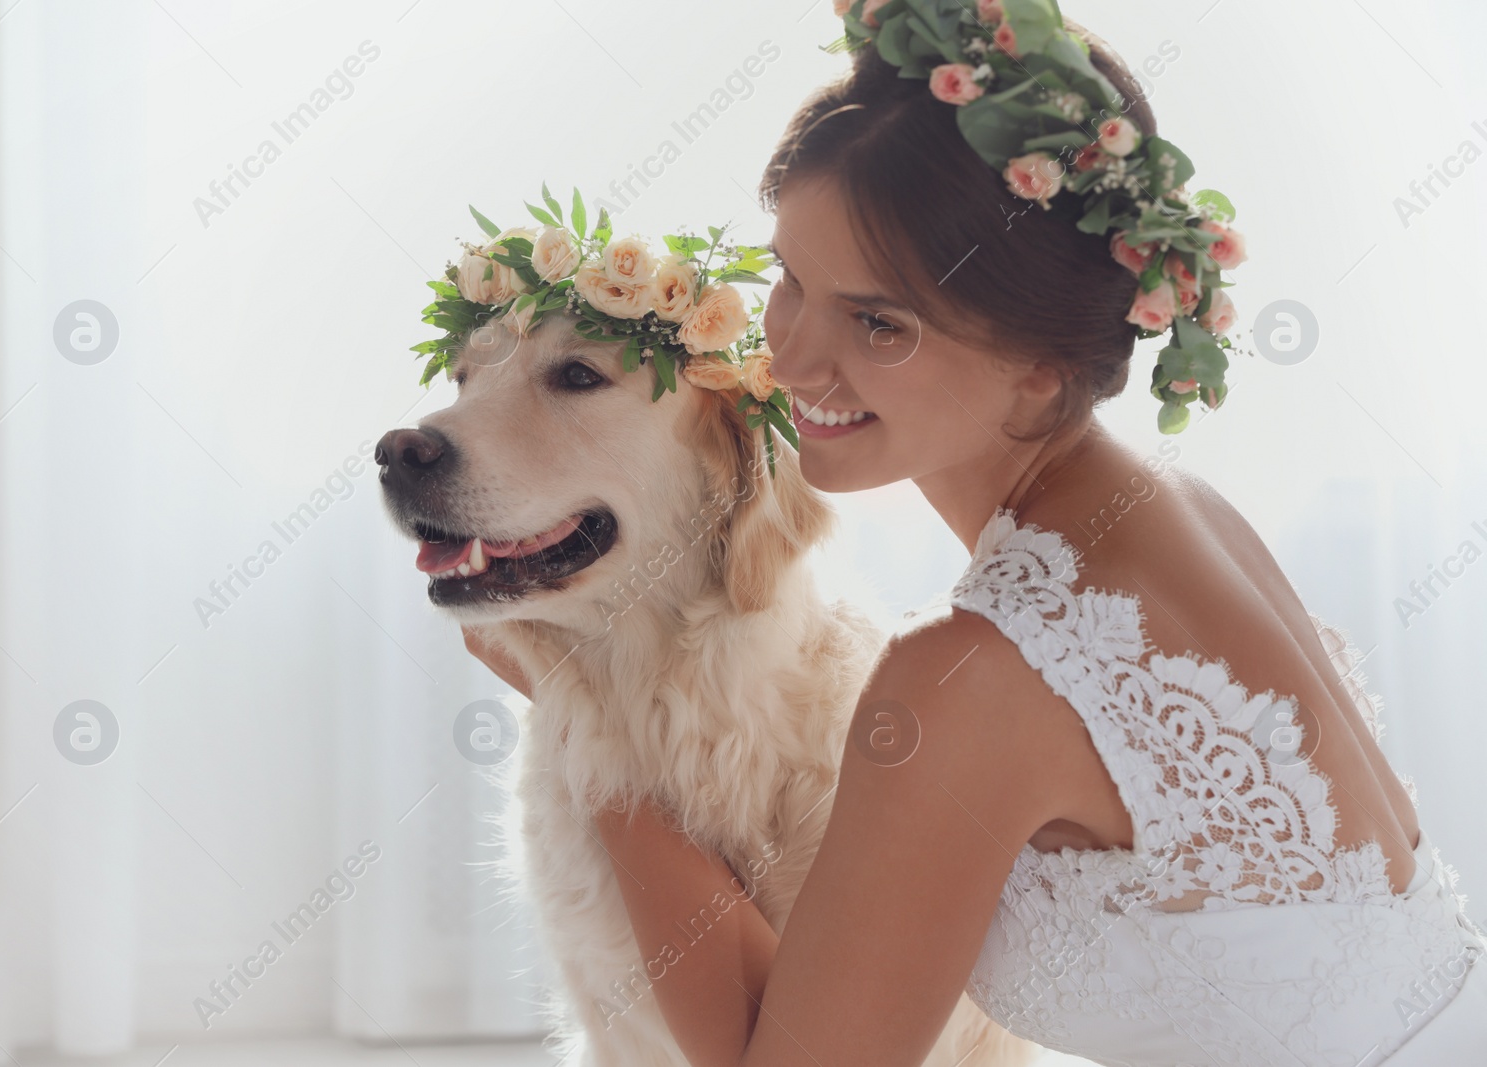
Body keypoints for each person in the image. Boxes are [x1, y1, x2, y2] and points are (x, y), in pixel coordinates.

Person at [466, 5, 1487, 1064]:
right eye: (792, 284)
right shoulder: (1181, 511)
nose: (793, 359)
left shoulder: (967, 676)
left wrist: (584, 701)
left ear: (1039, 367)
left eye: (876, 324)